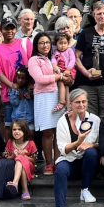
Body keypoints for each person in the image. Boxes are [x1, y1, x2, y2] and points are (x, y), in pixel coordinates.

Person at [54, 89, 101, 207]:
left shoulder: (95, 119)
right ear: (71, 104)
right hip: (69, 160)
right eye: (77, 102)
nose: (81, 105)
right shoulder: (62, 121)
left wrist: (89, 144)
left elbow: (102, 144)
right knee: (60, 170)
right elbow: (62, 148)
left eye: (84, 101)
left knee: (91, 152)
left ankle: (85, 189)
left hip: (88, 163)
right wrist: (77, 143)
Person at [0, 17, 33, 140]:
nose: (9, 31)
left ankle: (29, 151)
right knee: (9, 124)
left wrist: (30, 84)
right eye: (6, 28)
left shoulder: (24, 43)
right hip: (9, 91)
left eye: (12, 28)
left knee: (28, 124)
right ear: (1, 30)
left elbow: (33, 63)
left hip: (26, 90)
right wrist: (12, 85)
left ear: (16, 29)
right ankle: (10, 150)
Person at [28, 33, 64, 174]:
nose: (45, 45)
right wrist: (59, 76)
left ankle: (58, 162)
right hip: (44, 97)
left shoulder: (53, 58)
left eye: (48, 42)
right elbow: (40, 78)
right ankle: (49, 163)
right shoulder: (34, 60)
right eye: (42, 43)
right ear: (36, 45)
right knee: (47, 131)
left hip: (57, 95)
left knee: (58, 131)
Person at [4, 119, 37, 200]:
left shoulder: (30, 143)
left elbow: (34, 160)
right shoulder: (10, 142)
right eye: (14, 129)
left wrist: (23, 156)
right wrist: (13, 156)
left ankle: (15, 183)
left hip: (29, 166)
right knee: (19, 160)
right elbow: (6, 156)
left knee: (20, 159)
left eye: (19, 129)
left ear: (25, 130)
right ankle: (25, 191)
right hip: (16, 167)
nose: (16, 132)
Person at [52, 33, 76, 113]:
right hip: (60, 71)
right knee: (64, 86)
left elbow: (72, 60)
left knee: (63, 83)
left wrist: (68, 69)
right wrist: (54, 66)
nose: (63, 45)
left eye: (65, 43)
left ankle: (62, 102)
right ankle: (68, 107)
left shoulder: (69, 50)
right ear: (56, 44)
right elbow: (53, 60)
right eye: (60, 43)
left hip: (69, 70)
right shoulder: (55, 51)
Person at [8, 65, 34, 130]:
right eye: (18, 77)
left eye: (23, 78)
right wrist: (16, 91)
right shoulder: (13, 89)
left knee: (30, 138)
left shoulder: (31, 89)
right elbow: (14, 102)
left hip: (29, 120)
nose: (20, 80)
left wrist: (31, 92)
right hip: (17, 121)